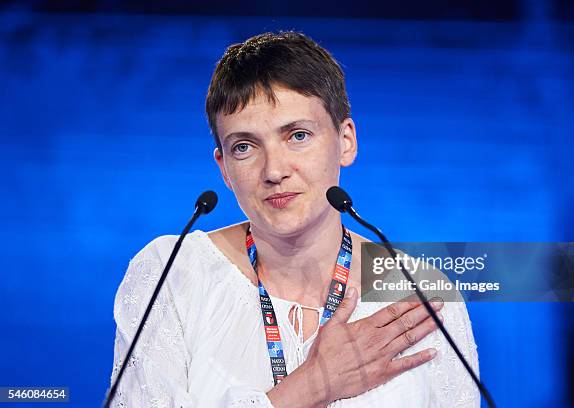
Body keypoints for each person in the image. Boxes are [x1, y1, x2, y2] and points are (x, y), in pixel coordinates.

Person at [110, 31, 480, 407]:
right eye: (244, 146)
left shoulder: (419, 291)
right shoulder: (173, 273)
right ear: (223, 167)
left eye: (298, 135)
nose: (274, 170)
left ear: (346, 141)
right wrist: (312, 386)